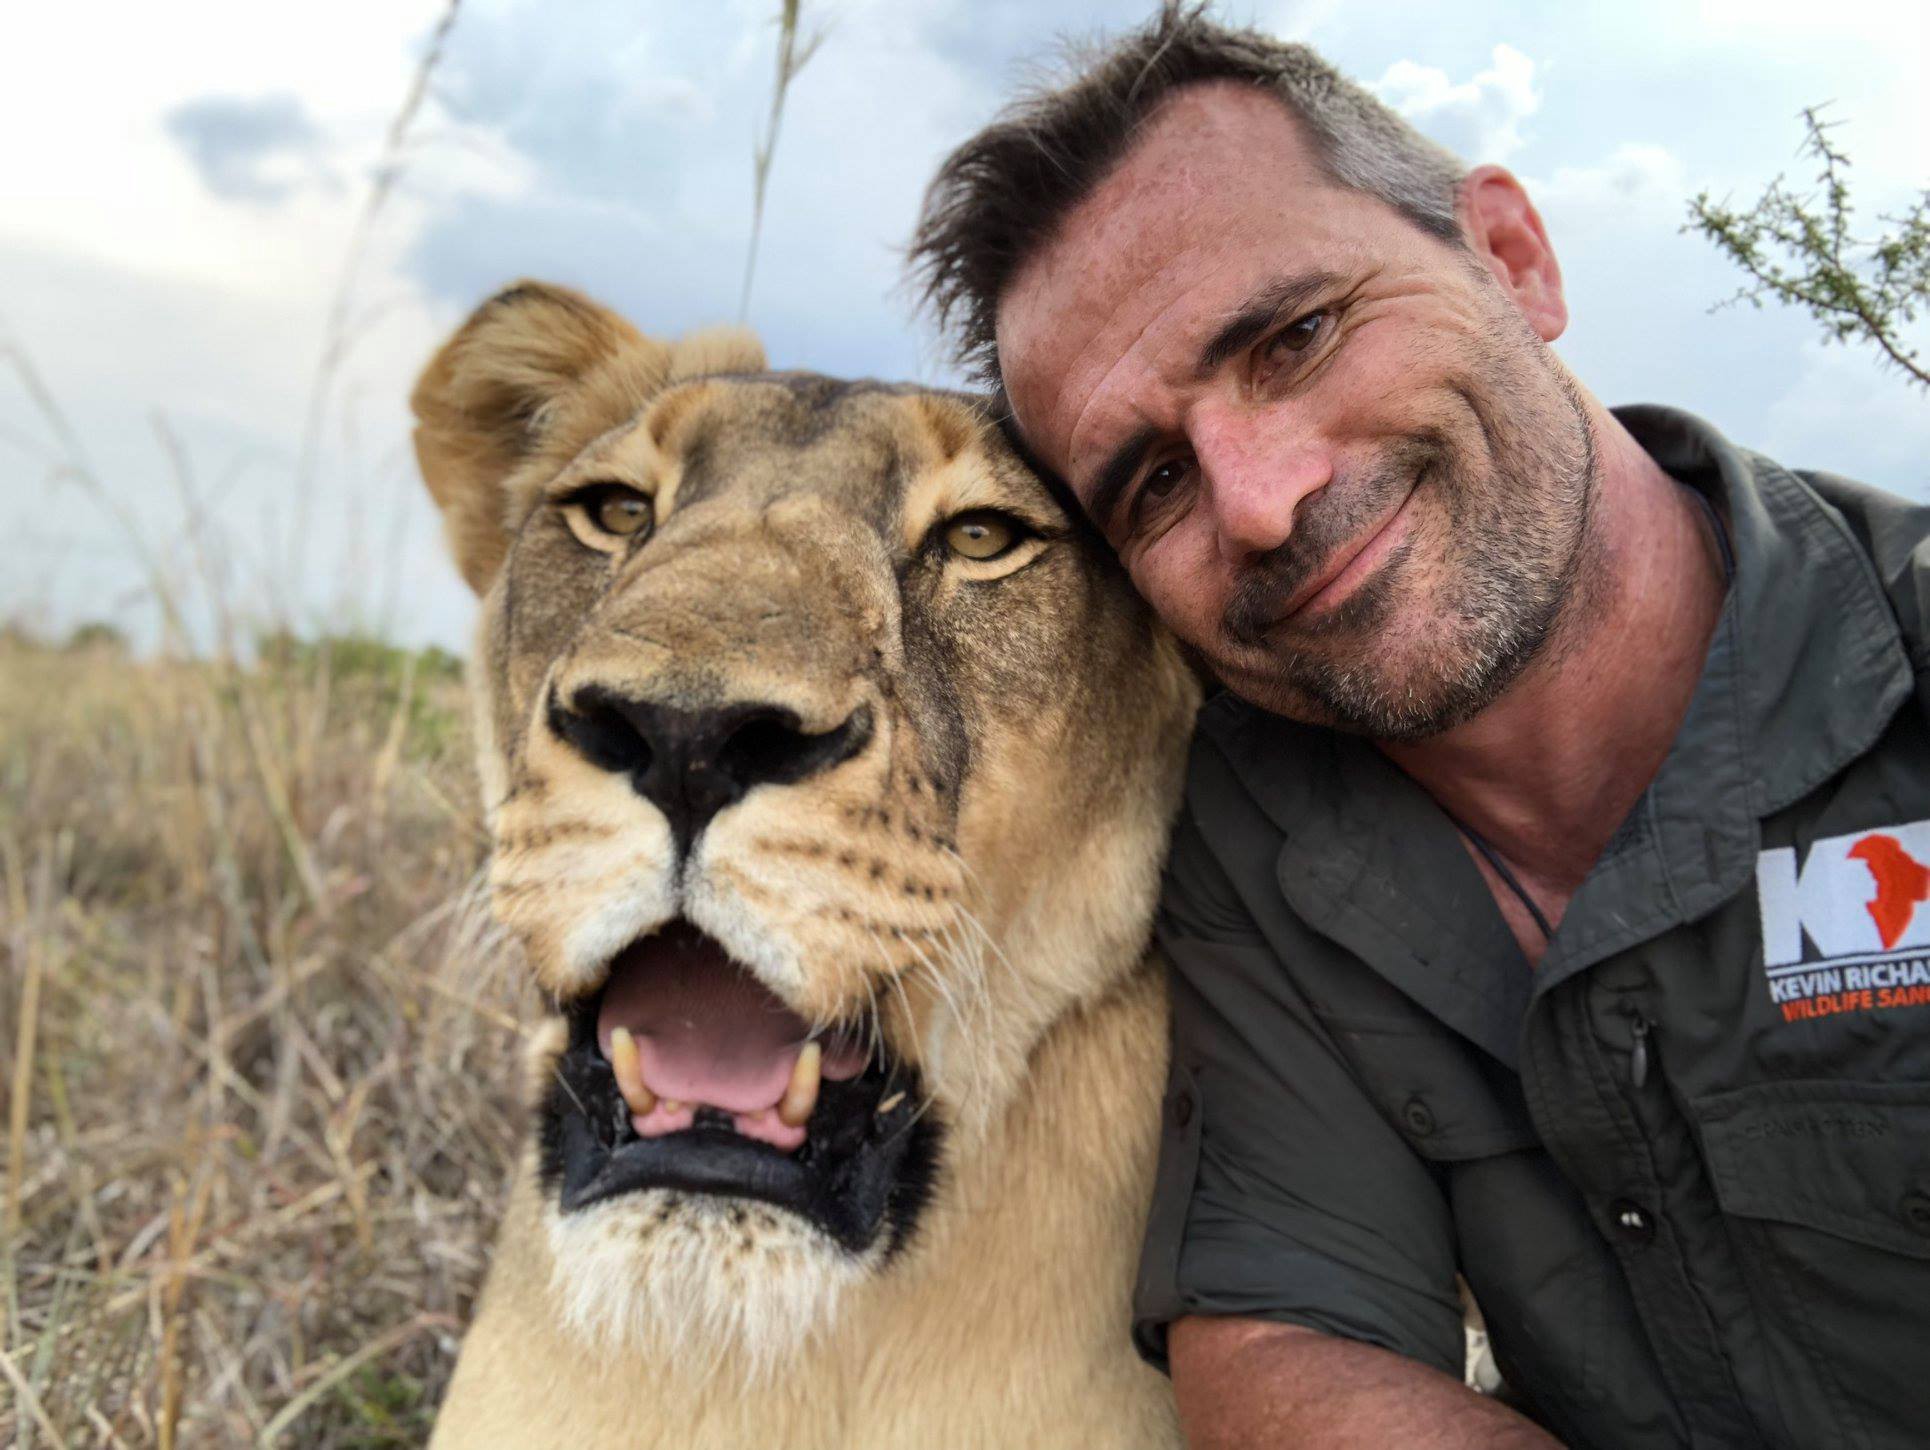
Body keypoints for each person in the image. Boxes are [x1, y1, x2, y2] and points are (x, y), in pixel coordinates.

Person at [909, 6, 1930, 1448]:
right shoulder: (1252, 836)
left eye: (1297, 337)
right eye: (1153, 484)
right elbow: (1282, 1342)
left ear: (1511, 258)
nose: (1259, 501)